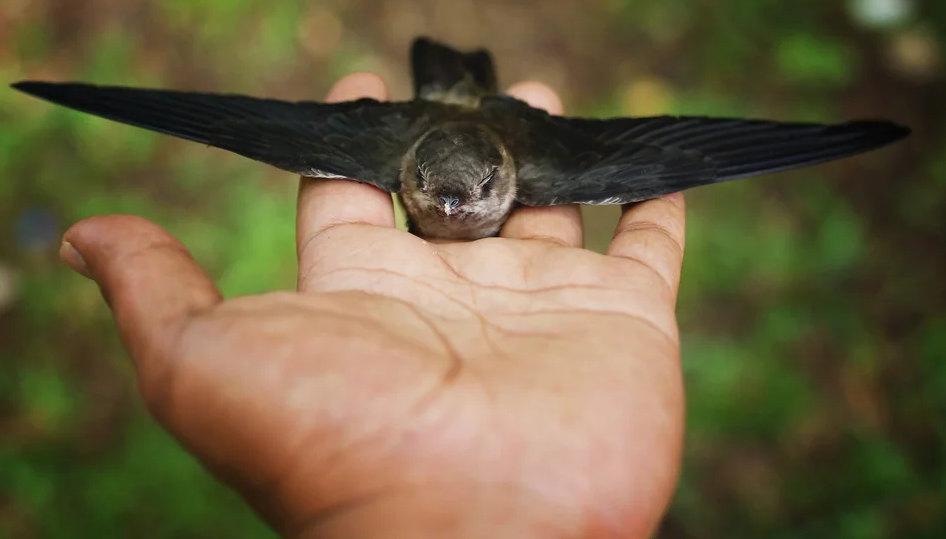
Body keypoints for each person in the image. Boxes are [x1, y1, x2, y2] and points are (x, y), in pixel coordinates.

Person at [59, 74, 686, 538]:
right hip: (432, 125)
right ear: (411, 177)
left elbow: (679, 156)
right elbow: (240, 125)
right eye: (432, 194)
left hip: (484, 123)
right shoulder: (394, 161)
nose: (449, 209)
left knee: (666, 174)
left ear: (501, 177)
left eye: (472, 195)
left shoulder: (530, 169)